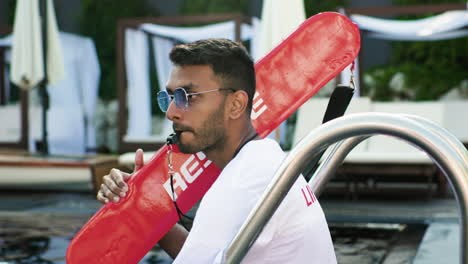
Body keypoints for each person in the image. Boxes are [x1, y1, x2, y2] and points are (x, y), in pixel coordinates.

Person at [97, 38, 336, 263]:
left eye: (186, 96)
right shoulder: (264, 158)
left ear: (235, 105)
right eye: (169, 97)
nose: (171, 112)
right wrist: (145, 207)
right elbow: (213, 256)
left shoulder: (242, 181)